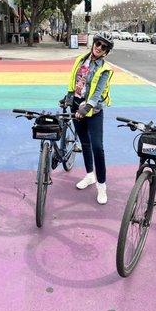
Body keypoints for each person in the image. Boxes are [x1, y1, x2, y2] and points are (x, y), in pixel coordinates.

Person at [65, 32, 114, 204]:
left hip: (93, 111)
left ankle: (102, 186)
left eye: (103, 47)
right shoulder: (80, 59)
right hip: (76, 106)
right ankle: (89, 175)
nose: (99, 47)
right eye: (98, 43)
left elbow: (98, 92)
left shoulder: (105, 69)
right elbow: (74, 81)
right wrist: (69, 96)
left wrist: (86, 107)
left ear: (106, 51)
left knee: (98, 147)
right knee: (84, 142)